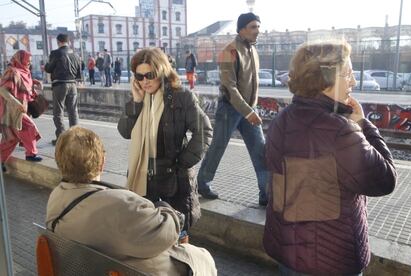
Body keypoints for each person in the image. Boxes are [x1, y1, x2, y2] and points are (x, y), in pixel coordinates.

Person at [263, 41, 397, 276]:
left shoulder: (280, 121)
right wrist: (364, 125)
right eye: (348, 74)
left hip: (288, 253)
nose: (353, 82)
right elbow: (384, 179)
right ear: (325, 79)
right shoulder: (340, 131)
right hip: (331, 260)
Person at [46, 126, 217, 276]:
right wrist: (165, 209)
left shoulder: (56, 198)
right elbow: (164, 235)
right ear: (102, 163)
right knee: (202, 257)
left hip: (89, 267)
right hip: (127, 269)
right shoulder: (119, 204)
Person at [117, 48, 212, 242]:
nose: (144, 81)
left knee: (178, 236)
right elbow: (125, 132)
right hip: (143, 180)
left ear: (161, 71)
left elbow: (204, 131)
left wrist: (181, 163)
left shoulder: (181, 96)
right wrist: (135, 103)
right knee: (149, 236)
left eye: (149, 75)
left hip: (173, 182)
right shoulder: (140, 97)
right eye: (139, 76)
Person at [197, 12, 268, 205]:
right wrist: (249, 112)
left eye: (259, 27)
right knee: (218, 147)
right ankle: (202, 183)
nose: (258, 31)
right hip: (230, 109)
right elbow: (230, 88)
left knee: (260, 151)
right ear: (242, 29)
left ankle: (267, 194)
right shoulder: (230, 51)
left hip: (248, 109)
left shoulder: (253, 50)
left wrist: (251, 109)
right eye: (253, 27)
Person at [0, 50, 43, 172]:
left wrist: (35, 82)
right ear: (20, 59)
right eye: (27, 60)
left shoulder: (25, 71)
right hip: (12, 109)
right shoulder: (11, 71)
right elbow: (2, 90)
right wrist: (16, 103)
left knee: (11, 138)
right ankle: (31, 154)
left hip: (21, 108)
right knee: (29, 127)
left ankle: (0, 161)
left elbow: (22, 84)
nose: (29, 62)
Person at [44, 33, 82, 146]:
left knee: (58, 112)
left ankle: (61, 139)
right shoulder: (75, 54)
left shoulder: (55, 53)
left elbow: (49, 68)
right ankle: (75, 138)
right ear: (68, 41)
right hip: (73, 84)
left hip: (60, 84)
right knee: (73, 112)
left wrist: (46, 65)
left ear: (58, 41)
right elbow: (79, 71)